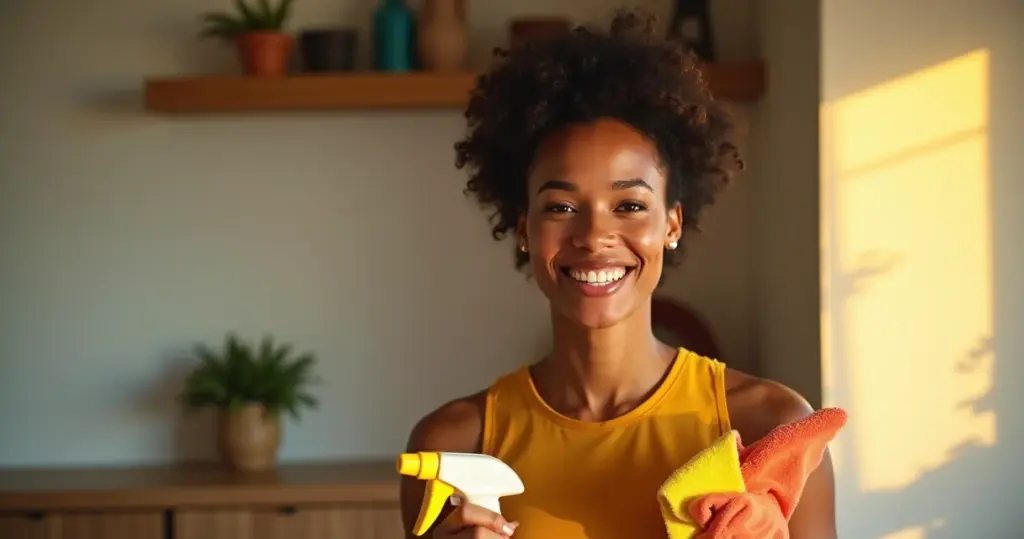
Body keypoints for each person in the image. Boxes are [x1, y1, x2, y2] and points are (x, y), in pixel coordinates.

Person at [399, 10, 837, 539]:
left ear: (672, 223)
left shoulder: (772, 427)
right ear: (524, 227)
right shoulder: (452, 444)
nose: (593, 235)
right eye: (560, 207)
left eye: (628, 205)